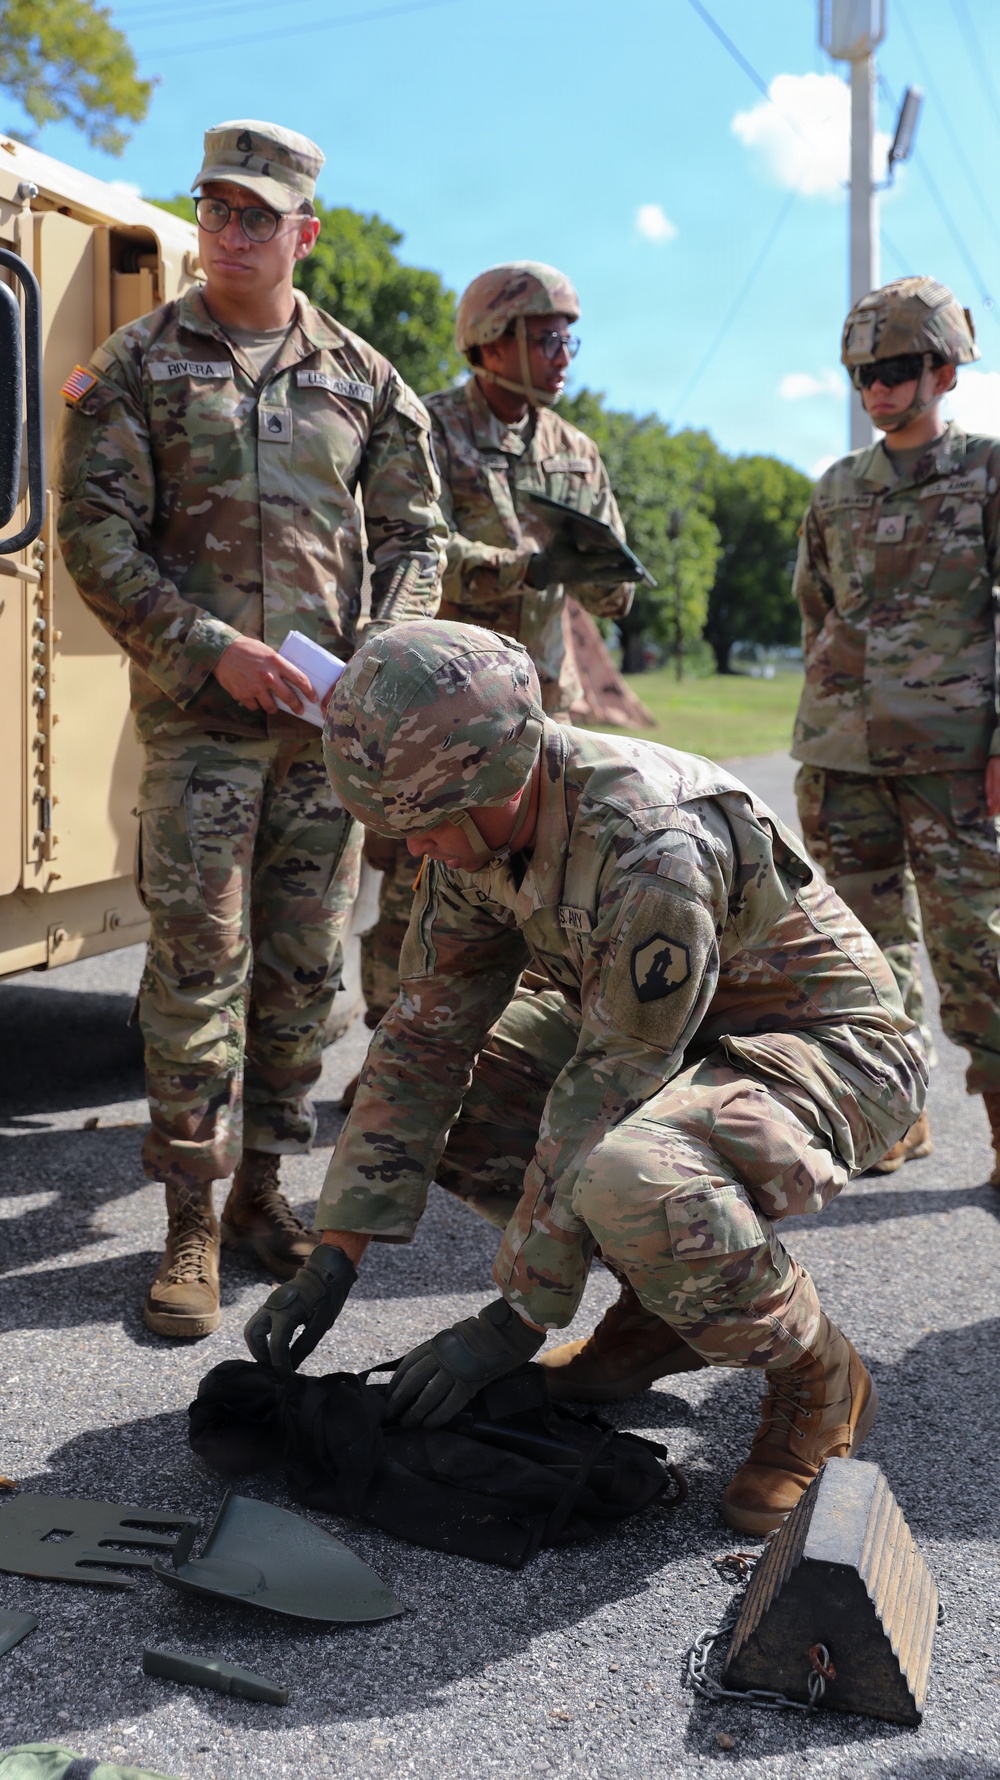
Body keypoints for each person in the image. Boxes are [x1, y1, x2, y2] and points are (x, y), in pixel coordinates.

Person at [245, 621, 926, 1534]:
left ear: (500, 776)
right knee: (480, 1076)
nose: (415, 852)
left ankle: (820, 1378)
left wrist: (517, 1317)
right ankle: (660, 1318)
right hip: (671, 1042)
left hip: (829, 1049)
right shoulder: (468, 823)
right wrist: (339, 1253)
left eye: (424, 827)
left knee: (632, 1172)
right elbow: (424, 1041)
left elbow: (608, 1084)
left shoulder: (651, 845)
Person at [56, 119, 446, 1338]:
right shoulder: (136, 364)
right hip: (201, 729)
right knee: (192, 970)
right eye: (216, 208)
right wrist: (205, 647)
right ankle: (185, 1218)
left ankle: (264, 1193)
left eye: (255, 214)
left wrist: (378, 657)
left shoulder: (364, 379)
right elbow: (96, 536)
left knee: (300, 977)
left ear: (303, 235)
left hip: (325, 740)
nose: (228, 232)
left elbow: (419, 540)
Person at [353, 260, 635, 1045]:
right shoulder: (429, 429)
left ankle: (516, 1061)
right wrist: (521, 567)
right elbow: (415, 545)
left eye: (569, 338)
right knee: (422, 883)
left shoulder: (575, 449)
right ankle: (394, 1054)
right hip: (442, 709)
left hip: (544, 706)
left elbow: (612, 587)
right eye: (547, 337)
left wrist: (611, 574)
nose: (565, 354)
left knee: (550, 881)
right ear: (492, 341)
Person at [791, 275, 1000, 1178]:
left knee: (975, 946)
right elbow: (815, 610)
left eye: (896, 368)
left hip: (953, 757)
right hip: (843, 760)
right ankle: (895, 1112)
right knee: (863, 955)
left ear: (945, 372)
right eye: (861, 373)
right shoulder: (837, 488)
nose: (876, 388)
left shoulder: (989, 473)